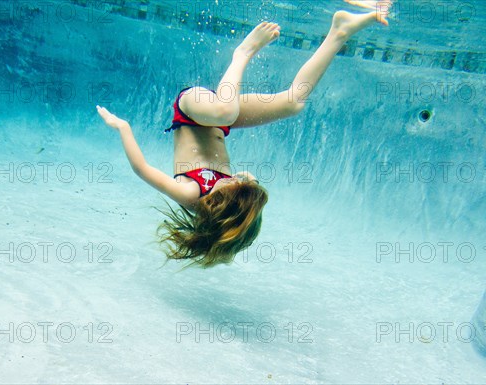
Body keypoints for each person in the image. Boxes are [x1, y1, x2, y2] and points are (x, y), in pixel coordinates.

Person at [96, 1, 393, 268]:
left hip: (191, 109)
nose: (242, 178)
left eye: (238, 186)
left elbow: (142, 169)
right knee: (293, 103)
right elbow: (243, 184)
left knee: (225, 110)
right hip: (220, 120)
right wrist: (246, 185)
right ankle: (339, 32)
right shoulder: (235, 191)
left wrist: (122, 127)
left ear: (220, 205)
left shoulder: (190, 193)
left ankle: (244, 50)